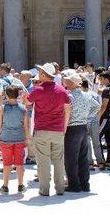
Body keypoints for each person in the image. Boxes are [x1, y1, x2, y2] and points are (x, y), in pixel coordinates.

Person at [28, 63, 71, 196]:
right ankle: (60, 188)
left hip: (41, 129)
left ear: (42, 74)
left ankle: (44, 189)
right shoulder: (62, 90)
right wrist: (64, 127)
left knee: (43, 161)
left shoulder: (37, 90)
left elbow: (27, 102)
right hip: (58, 129)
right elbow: (68, 110)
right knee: (58, 160)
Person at [63, 72, 99, 192]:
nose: (65, 82)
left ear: (72, 83)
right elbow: (97, 106)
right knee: (83, 157)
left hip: (71, 128)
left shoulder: (69, 96)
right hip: (83, 127)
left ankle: (74, 185)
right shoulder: (87, 95)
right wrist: (88, 117)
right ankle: (84, 184)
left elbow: (65, 112)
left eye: (67, 81)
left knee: (70, 158)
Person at [0, 85, 29, 194]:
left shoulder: (2, 108)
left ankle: (5, 186)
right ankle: (20, 185)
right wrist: (27, 138)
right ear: (18, 95)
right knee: (19, 163)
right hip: (19, 138)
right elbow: (26, 126)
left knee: (7, 163)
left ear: (6, 95)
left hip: (6, 138)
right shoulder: (23, 108)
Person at [82, 78, 105, 170]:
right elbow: (99, 107)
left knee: (87, 142)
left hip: (85, 121)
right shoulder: (95, 94)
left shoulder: (82, 95)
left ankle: (90, 163)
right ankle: (100, 161)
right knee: (97, 142)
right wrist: (97, 119)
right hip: (94, 120)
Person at [97, 72, 110, 166]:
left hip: (105, 117)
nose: (100, 81)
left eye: (101, 79)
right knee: (109, 139)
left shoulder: (106, 90)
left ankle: (102, 160)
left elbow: (104, 106)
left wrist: (98, 116)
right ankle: (109, 160)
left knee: (97, 137)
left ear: (106, 79)